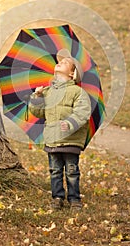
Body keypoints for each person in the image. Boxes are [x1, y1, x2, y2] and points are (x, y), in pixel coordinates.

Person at [29, 49, 91, 211]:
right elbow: (39, 113)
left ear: (72, 74)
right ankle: (57, 197)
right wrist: (38, 98)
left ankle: (74, 199)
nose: (60, 62)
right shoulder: (48, 91)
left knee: (71, 171)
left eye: (65, 63)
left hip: (71, 139)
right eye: (59, 61)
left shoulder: (77, 92)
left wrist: (70, 123)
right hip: (53, 138)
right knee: (55, 170)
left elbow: (83, 112)